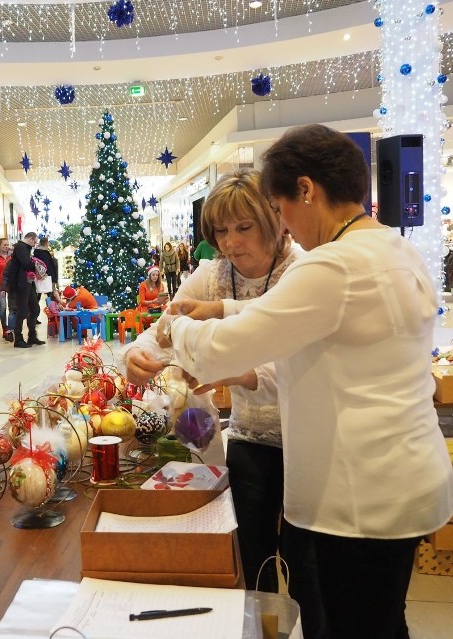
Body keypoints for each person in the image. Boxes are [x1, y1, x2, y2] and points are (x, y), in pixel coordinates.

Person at [151, 124, 453, 639]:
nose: (285, 225)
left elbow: (228, 345)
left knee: (354, 624)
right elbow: (312, 319)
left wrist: (175, 327)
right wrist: (223, 305)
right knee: (381, 618)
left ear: (306, 190)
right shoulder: (391, 249)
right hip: (405, 475)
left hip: (364, 492)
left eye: (279, 207)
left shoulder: (335, 266)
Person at [124, 168, 302, 596]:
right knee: (251, 552)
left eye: (244, 227)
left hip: (306, 436)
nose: (230, 242)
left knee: (303, 561)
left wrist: (240, 372)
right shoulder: (213, 274)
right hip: (250, 433)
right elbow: (164, 329)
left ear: (277, 220)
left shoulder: (302, 272)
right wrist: (136, 355)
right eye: (221, 230)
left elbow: (304, 364)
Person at [4, 232, 43, 348]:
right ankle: (18, 339)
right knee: (22, 311)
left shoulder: (24, 248)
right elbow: (26, 264)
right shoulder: (20, 247)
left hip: (27, 283)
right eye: (35, 242)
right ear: (30, 239)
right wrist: (35, 264)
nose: (35, 244)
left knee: (35, 308)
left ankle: (32, 336)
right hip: (20, 284)